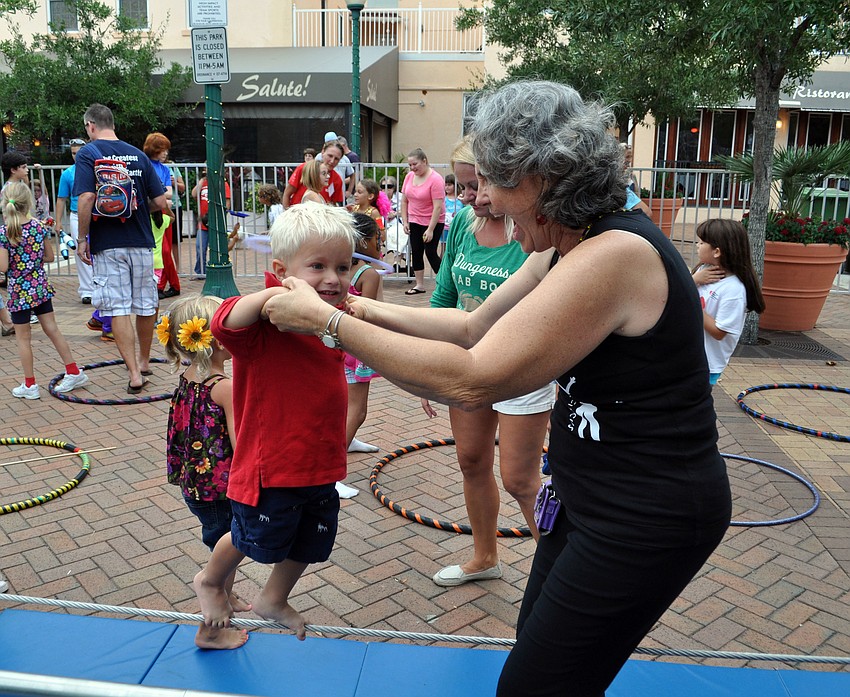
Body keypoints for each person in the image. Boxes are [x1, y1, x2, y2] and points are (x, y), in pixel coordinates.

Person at [262, 80, 732, 697]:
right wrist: (351, 305)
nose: (480, 199)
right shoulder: (567, 244)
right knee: (536, 663)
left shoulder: (615, 253)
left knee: (535, 686)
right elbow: (468, 326)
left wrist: (328, 324)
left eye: (491, 181)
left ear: (543, 177)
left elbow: (473, 379)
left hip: (646, 515)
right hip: (585, 503)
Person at [193, 202, 359, 640]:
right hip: (274, 464)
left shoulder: (330, 314)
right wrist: (273, 297)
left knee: (312, 537)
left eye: (343, 267)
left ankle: (273, 598)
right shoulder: (268, 321)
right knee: (249, 535)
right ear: (283, 270)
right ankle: (210, 580)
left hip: (321, 458)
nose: (333, 279)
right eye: (318, 267)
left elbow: (360, 314)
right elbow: (224, 320)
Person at [422, 136, 553, 587]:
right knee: (471, 460)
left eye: (476, 185)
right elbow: (444, 296)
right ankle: (485, 557)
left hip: (521, 365)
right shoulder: (461, 224)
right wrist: (435, 364)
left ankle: (560, 574)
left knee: (520, 478)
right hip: (469, 362)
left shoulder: (533, 231)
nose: (468, 197)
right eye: (460, 187)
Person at [159, 293, 250, 650]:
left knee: (221, 543)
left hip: (196, 483)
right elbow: (240, 441)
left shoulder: (190, 375)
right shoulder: (224, 387)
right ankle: (210, 630)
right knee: (229, 546)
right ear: (213, 341)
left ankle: (226, 594)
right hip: (221, 486)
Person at [74, 103, 169, 394]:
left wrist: (82, 238)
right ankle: (143, 361)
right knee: (144, 303)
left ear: (91, 125)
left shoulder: (89, 153)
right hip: (140, 240)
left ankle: (133, 375)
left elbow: (88, 197)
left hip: (108, 244)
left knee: (118, 307)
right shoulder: (138, 154)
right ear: (112, 123)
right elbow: (161, 201)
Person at [0, 181, 90, 399]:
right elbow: (49, 257)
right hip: (39, 287)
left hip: (19, 292)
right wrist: (32, 260)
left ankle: (30, 384)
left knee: (23, 339)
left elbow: (3, 268)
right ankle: (73, 370)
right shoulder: (38, 227)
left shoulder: (5, 232)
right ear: (28, 202)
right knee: (53, 329)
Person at [692, 218, 765, 385]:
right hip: (688, 358)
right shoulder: (703, 271)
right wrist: (693, 280)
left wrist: (692, 305)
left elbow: (719, 332)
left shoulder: (734, 290)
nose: (697, 245)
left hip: (706, 365)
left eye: (702, 242)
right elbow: (678, 292)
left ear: (717, 251)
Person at [343, 213, 385, 467]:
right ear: (363, 243)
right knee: (357, 411)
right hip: (357, 349)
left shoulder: (340, 266)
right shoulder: (369, 274)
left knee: (344, 404)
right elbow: (368, 314)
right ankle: (332, 473)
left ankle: (349, 441)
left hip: (340, 342)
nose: (379, 243)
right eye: (376, 238)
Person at [400, 148, 444, 294]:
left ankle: (445, 282)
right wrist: (405, 221)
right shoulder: (409, 177)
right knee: (416, 251)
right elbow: (404, 201)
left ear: (424, 161)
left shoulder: (436, 179)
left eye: (415, 164)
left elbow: (438, 207)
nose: (413, 168)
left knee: (431, 252)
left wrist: (430, 229)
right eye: (410, 165)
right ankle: (419, 284)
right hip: (414, 219)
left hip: (433, 220)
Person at [55, 138, 92, 304]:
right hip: (77, 214)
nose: (76, 156)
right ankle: (87, 290)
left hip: (95, 214)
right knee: (80, 250)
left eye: (79, 153)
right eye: (73, 153)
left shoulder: (93, 169)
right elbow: (61, 199)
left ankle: (98, 286)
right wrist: (58, 222)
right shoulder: (68, 173)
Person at [143, 133, 180, 299]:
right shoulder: (144, 164)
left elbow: (170, 195)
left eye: (166, 150)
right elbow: (164, 196)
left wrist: (157, 197)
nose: (165, 153)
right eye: (162, 150)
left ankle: (166, 285)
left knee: (164, 251)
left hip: (162, 215)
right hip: (149, 214)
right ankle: (165, 284)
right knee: (158, 251)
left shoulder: (165, 169)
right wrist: (161, 197)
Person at [190, 168, 232, 279]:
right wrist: (202, 179)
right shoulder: (203, 182)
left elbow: (227, 202)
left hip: (216, 222)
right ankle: (200, 272)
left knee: (217, 248)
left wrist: (221, 216)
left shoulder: (222, 183)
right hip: (203, 223)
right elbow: (194, 194)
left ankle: (217, 270)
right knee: (200, 248)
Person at [283, 141, 345, 208]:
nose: (332, 161)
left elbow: (333, 204)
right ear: (323, 152)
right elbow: (287, 193)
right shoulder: (305, 169)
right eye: (330, 156)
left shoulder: (337, 179)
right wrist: (287, 214)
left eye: (336, 159)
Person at [381, 175, 408, 271]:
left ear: (394, 187)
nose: (386, 189)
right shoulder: (379, 197)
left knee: (401, 232)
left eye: (389, 186)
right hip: (383, 225)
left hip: (397, 223)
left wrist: (396, 213)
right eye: (383, 186)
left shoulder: (401, 197)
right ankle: (378, 263)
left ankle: (397, 261)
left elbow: (407, 209)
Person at [440, 173, 464, 257]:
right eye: (445, 185)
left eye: (449, 185)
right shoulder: (443, 199)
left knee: (456, 248)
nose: (447, 187)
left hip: (457, 228)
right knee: (444, 249)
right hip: (445, 228)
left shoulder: (460, 199)